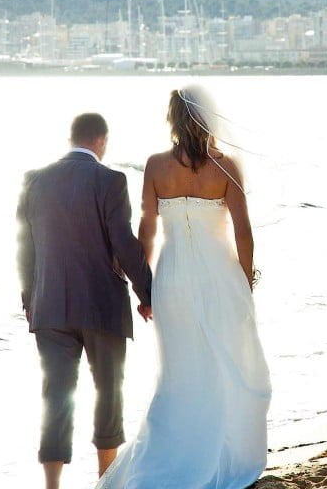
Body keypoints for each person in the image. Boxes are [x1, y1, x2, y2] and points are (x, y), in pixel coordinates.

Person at [96, 86, 272, 488]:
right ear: (208, 118)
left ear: (172, 119)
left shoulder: (156, 165)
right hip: (220, 279)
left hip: (172, 280)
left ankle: (172, 455)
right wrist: (245, 283)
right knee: (228, 367)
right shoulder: (226, 166)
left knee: (178, 373)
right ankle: (219, 452)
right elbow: (243, 233)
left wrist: (145, 288)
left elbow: (147, 230)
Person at [17, 113, 153, 489]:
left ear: (71, 138)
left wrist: (30, 299)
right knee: (108, 392)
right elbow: (123, 242)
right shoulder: (110, 180)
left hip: (49, 308)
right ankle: (105, 480)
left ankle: (52, 486)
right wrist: (148, 294)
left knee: (56, 397)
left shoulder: (35, 180)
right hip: (101, 306)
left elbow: (25, 246)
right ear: (101, 141)